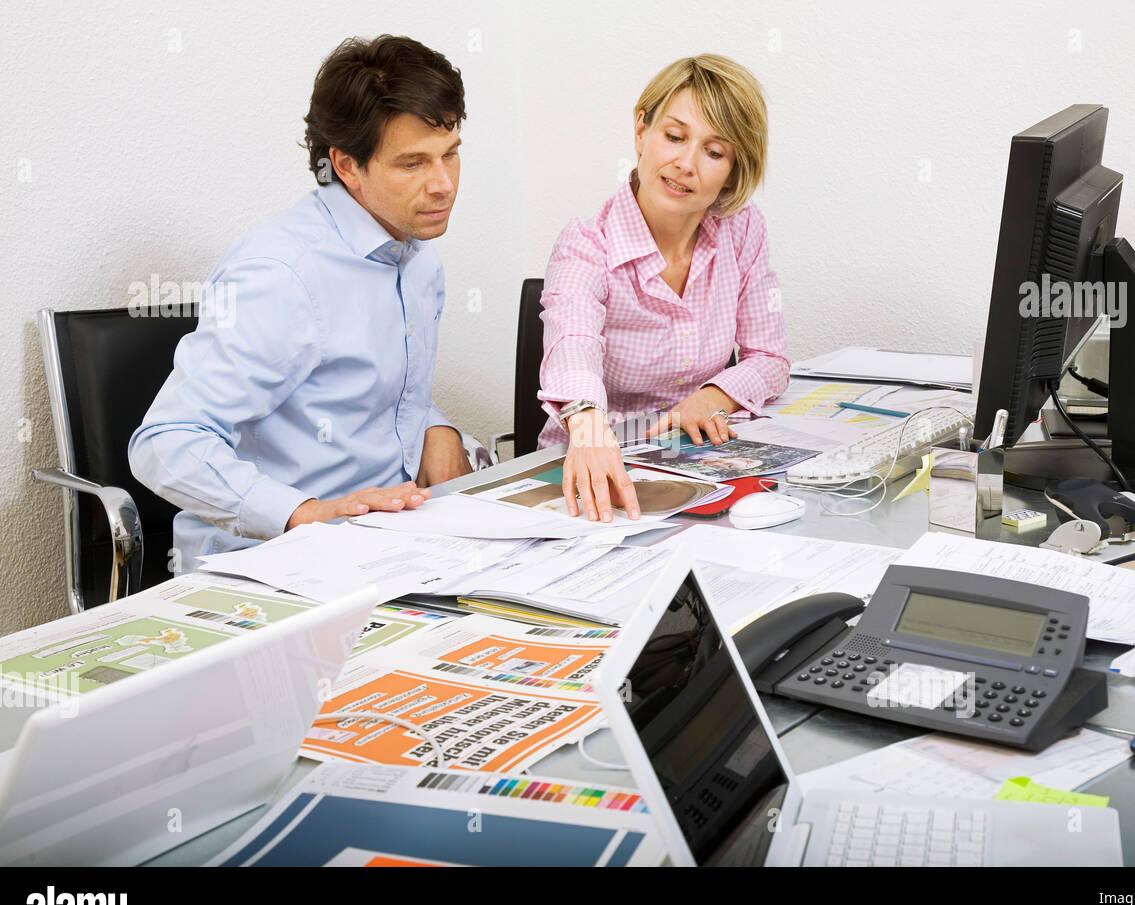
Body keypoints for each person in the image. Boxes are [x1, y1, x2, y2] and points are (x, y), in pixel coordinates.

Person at [130, 35, 473, 568]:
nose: (443, 184)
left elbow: (365, 393)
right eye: (412, 164)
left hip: (388, 543)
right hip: (270, 561)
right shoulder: (281, 275)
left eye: (450, 155)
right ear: (346, 166)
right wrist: (304, 513)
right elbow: (165, 443)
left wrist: (437, 426)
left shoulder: (416, 254)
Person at [537, 54, 789, 523]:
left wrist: (710, 399)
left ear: (734, 170)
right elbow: (572, 342)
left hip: (695, 466)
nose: (685, 164)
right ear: (641, 131)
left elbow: (770, 359)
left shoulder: (744, 230)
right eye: (674, 137)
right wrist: (588, 426)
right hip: (589, 467)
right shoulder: (587, 243)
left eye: (714, 152)